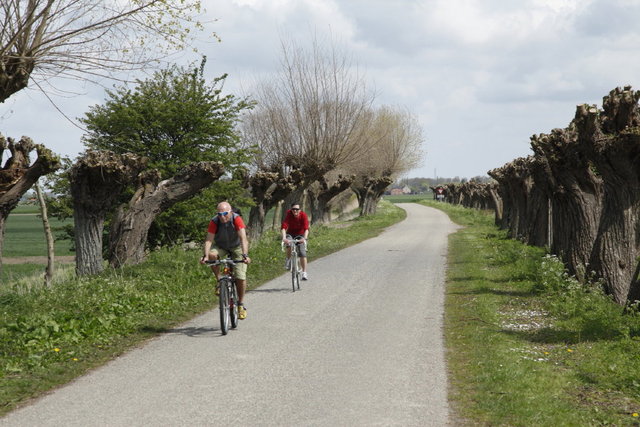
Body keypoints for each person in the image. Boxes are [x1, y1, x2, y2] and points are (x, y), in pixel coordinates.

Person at [200, 201, 251, 319]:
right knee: (212, 255)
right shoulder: (215, 221)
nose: (222, 216)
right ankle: (219, 281)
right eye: (219, 214)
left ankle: (240, 305)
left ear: (230, 212)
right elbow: (209, 240)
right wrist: (205, 256)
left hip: (236, 247)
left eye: (225, 213)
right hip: (221, 246)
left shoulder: (236, 219)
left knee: (240, 276)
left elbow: (243, 238)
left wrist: (245, 255)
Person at [281, 202, 310, 280]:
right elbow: (284, 227)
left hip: (300, 235)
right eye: (293, 209)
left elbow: (306, 229)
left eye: (297, 209)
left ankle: (304, 273)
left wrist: (304, 238)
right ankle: (288, 259)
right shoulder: (289, 214)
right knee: (289, 244)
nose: (295, 211)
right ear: (291, 210)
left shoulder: (303, 215)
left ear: (300, 210)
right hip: (290, 234)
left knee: (302, 253)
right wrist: (284, 238)